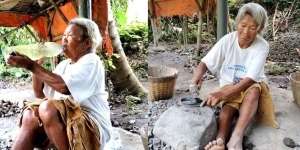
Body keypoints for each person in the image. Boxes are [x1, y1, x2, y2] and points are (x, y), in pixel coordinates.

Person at [7, 18, 112, 150]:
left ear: (87, 43)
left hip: (92, 127)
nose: (64, 39)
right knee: (30, 116)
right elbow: (39, 93)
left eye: (70, 36)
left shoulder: (91, 61)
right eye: (64, 35)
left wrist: (31, 66)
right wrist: (34, 62)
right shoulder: (64, 65)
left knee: (48, 108)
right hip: (68, 122)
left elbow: (64, 87)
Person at [191, 3, 278, 150]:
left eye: (252, 28)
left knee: (254, 91)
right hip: (229, 84)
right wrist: (196, 79)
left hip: (251, 85)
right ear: (237, 23)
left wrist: (222, 93)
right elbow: (205, 62)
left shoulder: (262, 46)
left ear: (260, 29)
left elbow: (250, 79)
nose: (246, 32)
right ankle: (220, 140)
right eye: (243, 25)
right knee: (226, 111)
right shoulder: (228, 40)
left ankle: (236, 138)